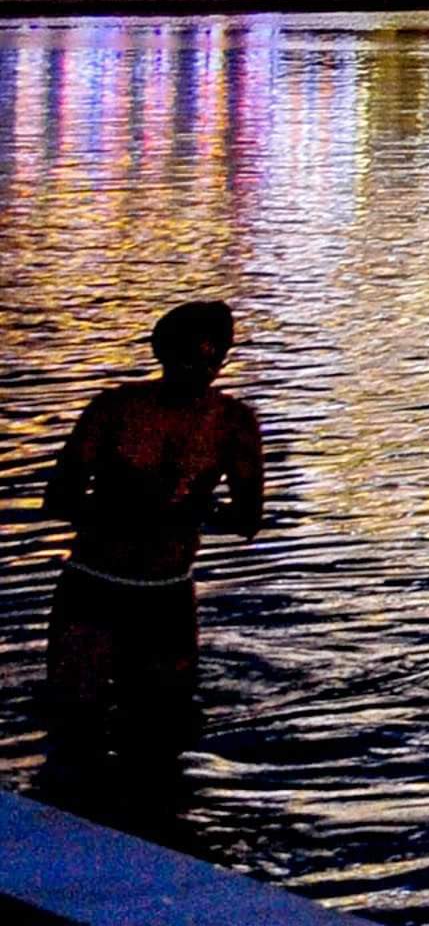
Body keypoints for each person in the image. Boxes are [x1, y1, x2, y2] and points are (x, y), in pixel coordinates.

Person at [39, 302, 266, 763]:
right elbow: (59, 497)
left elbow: (247, 521)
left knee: (163, 742)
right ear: (163, 354)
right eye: (190, 357)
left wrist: (192, 511)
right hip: (94, 588)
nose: (200, 370)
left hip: (166, 596)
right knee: (71, 731)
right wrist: (131, 512)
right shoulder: (113, 410)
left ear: (222, 360)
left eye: (210, 358)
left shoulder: (235, 425)